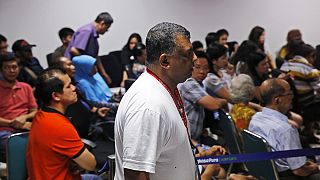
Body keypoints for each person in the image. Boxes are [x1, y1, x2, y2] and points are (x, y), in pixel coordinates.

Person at [114, 22, 198, 180]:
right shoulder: (148, 105)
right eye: (188, 54)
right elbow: (135, 175)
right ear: (165, 61)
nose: (195, 59)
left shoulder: (164, 88)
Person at [27, 68, 99, 180]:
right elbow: (91, 164)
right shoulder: (60, 126)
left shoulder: (40, 115)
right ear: (56, 96)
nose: (74, 88)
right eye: (69, 86)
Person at [249, 78, 320, 179]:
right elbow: (299, 171)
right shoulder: (286, 130)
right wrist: (316, 168)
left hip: (266, 171)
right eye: (289, 93)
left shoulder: (255, 118)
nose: (292, 97)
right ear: (277, 100)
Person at [178, 50, 227, 144]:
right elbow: (214, 105)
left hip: (196, 137)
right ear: (189, 67)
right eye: (197, 67)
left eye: (205, 68)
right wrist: (224, 101)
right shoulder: (188, 82)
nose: (202, 72)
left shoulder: (200, 84)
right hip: (186, 141)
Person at [0, 52, 37, 162]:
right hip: (4, 131)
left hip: (26, 127)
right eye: (7, 67)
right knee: (18, 146)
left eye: (14, 67)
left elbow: (34, 110)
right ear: (1, 70)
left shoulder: (26, 87)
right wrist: (14, 123)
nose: (11, 71)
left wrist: (24, 118)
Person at [65, 12, 113, 85]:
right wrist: (90, 64)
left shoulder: (93, 34)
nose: (106, 31)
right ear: (102, 24)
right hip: (76, 71)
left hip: (85, 70)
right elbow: (74, 50)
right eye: (107, 28)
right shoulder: (86, 31)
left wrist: (104, 73)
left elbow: (95, 56)